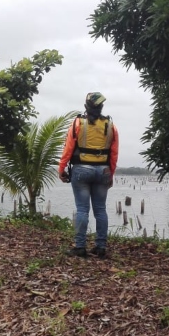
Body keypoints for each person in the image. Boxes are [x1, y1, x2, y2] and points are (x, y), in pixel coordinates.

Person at [59, 92, 119, 259]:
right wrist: (111, 174)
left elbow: (68, 148)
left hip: (81, 170)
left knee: (82, 209)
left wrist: (61, 169)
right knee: (100, 210)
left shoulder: (78, 123)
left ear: (86, 106)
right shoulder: (111, 125)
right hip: (103, 171)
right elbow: (114, 153)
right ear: (101, 107)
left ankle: (80, 247)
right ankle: (101, 247)